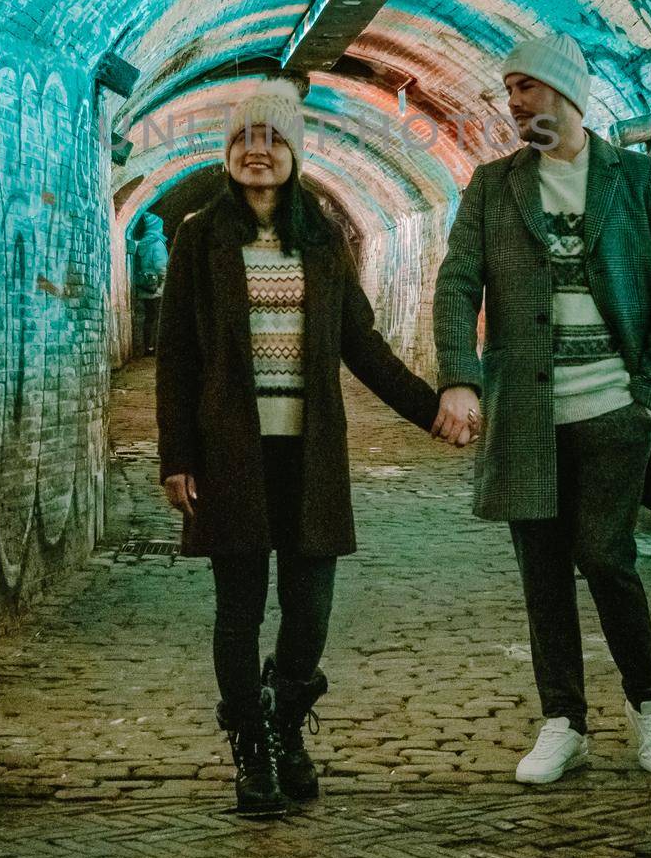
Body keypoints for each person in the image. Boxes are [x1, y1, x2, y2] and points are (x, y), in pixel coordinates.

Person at [155, 79, 476, 817]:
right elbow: (175, 355)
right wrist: (176, 456)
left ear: (295, 153)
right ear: (227, 153)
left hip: (309, 457)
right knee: (239, 611)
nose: (257, 152)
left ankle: (287, 722)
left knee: (309, 615)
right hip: (229, 456)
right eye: (243, 140)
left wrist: (431, 411)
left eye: (271, 140)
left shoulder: (323, 240)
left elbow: (360, 346)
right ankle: (252, 754)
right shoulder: (199, 237)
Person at [433, 32, 651, 785]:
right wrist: (460, 377)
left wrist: (646, 400)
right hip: (526, 415)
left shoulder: (639, 180)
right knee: (542, 573)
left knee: (607, 560)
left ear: (566, 93)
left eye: (526, 86)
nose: (514, 102)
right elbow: (457, 285)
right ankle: (564, 724)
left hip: (615, 414)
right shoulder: (493, 187)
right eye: (510, 88)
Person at [132, 212, 169, 353]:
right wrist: (166, 281)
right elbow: (161, 267)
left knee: (149, 318)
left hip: (145, 286)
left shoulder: (143, 243)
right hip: (157, 287)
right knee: (158, 318)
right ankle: (155, 347)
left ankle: (149, 346)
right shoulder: (157, 244)